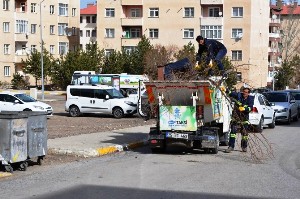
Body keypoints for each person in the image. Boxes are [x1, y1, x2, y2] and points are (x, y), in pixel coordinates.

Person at [225, 87, 254, 153]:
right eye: (244, 91)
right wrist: (226, 90)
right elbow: (231, 93)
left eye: (246, 92)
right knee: (233, 133)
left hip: (244, 118)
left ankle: (244, 147)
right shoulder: (238, 95)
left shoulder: (250, 99)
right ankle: (231, 146)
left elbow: (250, 108)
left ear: (248, 93)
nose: (244, 93)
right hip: (236, 117)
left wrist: (244, 109)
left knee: (244, 134)